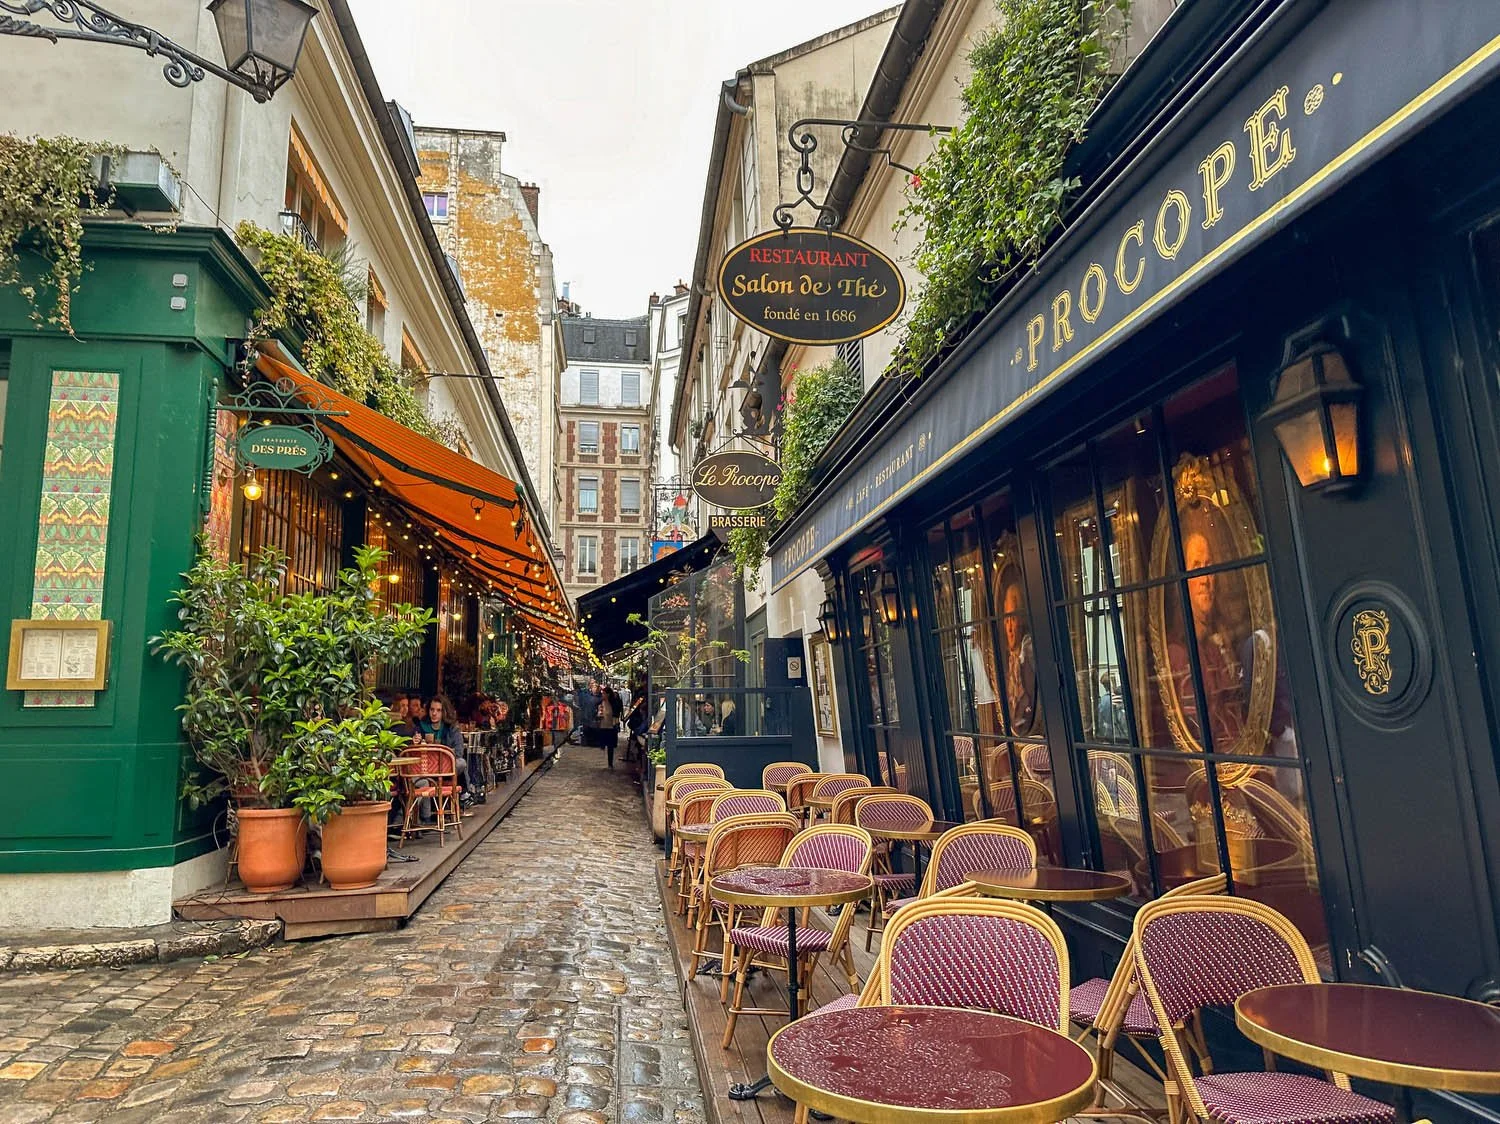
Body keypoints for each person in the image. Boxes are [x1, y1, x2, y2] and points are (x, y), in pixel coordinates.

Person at [414, 695, 472, 806]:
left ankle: (464, 795)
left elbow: (459, 752)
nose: (434, 713)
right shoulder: (421, 726)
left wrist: (442, 753)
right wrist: (416, 742)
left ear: (444, 712)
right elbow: (414, 753)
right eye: (432, 710)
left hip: (445, 768)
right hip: (426, 767)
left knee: (461, 763)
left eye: (438, 710)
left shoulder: (452, 728)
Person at [598, 680, 622, 769]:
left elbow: (616, 714)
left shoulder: (614, 703)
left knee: (610, 746)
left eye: (604, 694)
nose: (602, 695)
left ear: (608, 694)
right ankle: (607, 762)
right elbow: (599, 712)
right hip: (603, 726)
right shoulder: (601, 703)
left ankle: (610, 763)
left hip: (611, 727)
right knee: (604, 745)